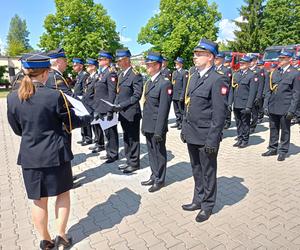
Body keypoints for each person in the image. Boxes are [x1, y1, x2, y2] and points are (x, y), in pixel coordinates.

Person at [6, 53, 91, 249]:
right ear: (45, 73)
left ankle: (46, 240)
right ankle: (61, 235)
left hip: (31, 157)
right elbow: (71, 122)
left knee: (38, 201)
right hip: (56, 154)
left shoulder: (12, 98)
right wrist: (87, 118)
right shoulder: (55, 95)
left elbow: (17, 130)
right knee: (62, 194)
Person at [181, 38, 229, 222]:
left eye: (199, 54)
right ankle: (197, 199)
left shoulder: (218, 79)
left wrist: (213, 140)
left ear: (210, 57)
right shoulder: (194, 77)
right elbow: (189, 106)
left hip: (206, 135)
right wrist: (185, 128)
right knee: (196, 169)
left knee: (208, 172)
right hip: (192, 133)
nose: (195, 57)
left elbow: (219, 114)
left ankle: (207, 205)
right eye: (195, 54)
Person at [141, 51, 172, 192]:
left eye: (149, 65)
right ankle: (154, 175)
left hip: (157, 126)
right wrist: (143, 125)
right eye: (147, 64)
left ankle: (160, 179)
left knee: (159, 153)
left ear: (158, 65)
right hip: (148, 124)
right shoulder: (149, 82)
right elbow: (147, 106)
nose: (147, 67)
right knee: (151, 152)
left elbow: (163, 110)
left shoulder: (164, 83)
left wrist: (159, 130)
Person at [262, 51, 300, 161]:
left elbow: (296, 94)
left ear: (289, 59)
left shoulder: (295, 73)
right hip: (273, 106)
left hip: (285, 107)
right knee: (273, 128)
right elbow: (269, 90)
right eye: (280, 58)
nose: (280, 60)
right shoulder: (275, 72)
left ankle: (283, 150)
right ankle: (273, 148)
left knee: (285, 130)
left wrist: (292, 110)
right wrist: (266, 105)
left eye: (283, 58)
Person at [113, 49, 143, 173]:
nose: (118, 63)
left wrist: (121, 105)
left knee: (133, 138)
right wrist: (114, 104)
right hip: (123, 112)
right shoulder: (121, 74)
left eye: (120, 61)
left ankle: (134, 163)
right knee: (126, 137)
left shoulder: (135, 75)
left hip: (131, 112)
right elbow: (119, 92)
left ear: (126, 60)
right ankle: (128, 160)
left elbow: (137, 96)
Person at [94, 50, 119, 163]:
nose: (98, 61)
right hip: (101, 107)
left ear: (107, 60)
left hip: (107, 108)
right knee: (106, 132)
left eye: (100, 59)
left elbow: (112, 92)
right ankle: (109, 152)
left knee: (111, 132)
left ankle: (113, 154)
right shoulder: (102, 73)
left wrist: (110, 110)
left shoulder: (111, 73)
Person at [228, 55, 258, 148]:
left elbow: (252, 92)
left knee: (245, 123)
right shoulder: (236, 74)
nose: (241, 64)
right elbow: (232, 90)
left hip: (245, 104)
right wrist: (230, 102)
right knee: (238, 122)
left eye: (244, 63)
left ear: (248, 64)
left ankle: (245, 140)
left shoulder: (252, 75)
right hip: (236, 103)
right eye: (241, 63)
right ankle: (240, 138)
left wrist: (249, 106)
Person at [82, 58, 105, 153]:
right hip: (89, 104)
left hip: (94, 104)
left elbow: (97, 92)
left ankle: (100, 144)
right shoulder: (89, 77)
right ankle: (96, 142)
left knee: (98, 125)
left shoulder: (97, 77)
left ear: (93, 67)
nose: (87, 67)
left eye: (88, 66)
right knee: (94, 125)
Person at [72, 58, 92, 145]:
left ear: (81, 66)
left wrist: (83, 99)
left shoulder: (84, 75)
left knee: (85, 119)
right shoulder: (79, 75)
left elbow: (85, 89)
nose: (73, 67)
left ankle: (88, 138)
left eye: (75, 65)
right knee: (81, 118)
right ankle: (84, 136)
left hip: (83, 100)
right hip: (78, 100)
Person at [214, 52, 233, 129]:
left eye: (217, 59)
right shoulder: (212, 68)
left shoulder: (226, 70)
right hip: (213, 95)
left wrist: (228, 100)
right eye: (215, 58)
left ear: (222, 60)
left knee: (220, 115)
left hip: (221, 96)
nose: (215, 60)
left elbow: (228, 86)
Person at [171, 57, 188, 130]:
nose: (176, 64)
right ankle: (178, 122)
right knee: (176, 110)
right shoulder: (174, 73)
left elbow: (185, 85)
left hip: (180, 95)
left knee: (181, 110)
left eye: (177, 63)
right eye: (176, 63)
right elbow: (172, 84)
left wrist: (182, 96)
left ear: (181, 64)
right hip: (174, 94)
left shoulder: (184, 72)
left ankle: (182, 123)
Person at [249, 55, 265, 133]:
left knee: (254, 112)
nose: (250, 62)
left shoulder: (259, 71)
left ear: (255, 61)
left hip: (255, 95)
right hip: (247, 95)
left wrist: (258, 96)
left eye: (252, 61)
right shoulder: (247, 70)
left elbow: (261, 84)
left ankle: (252, 126)